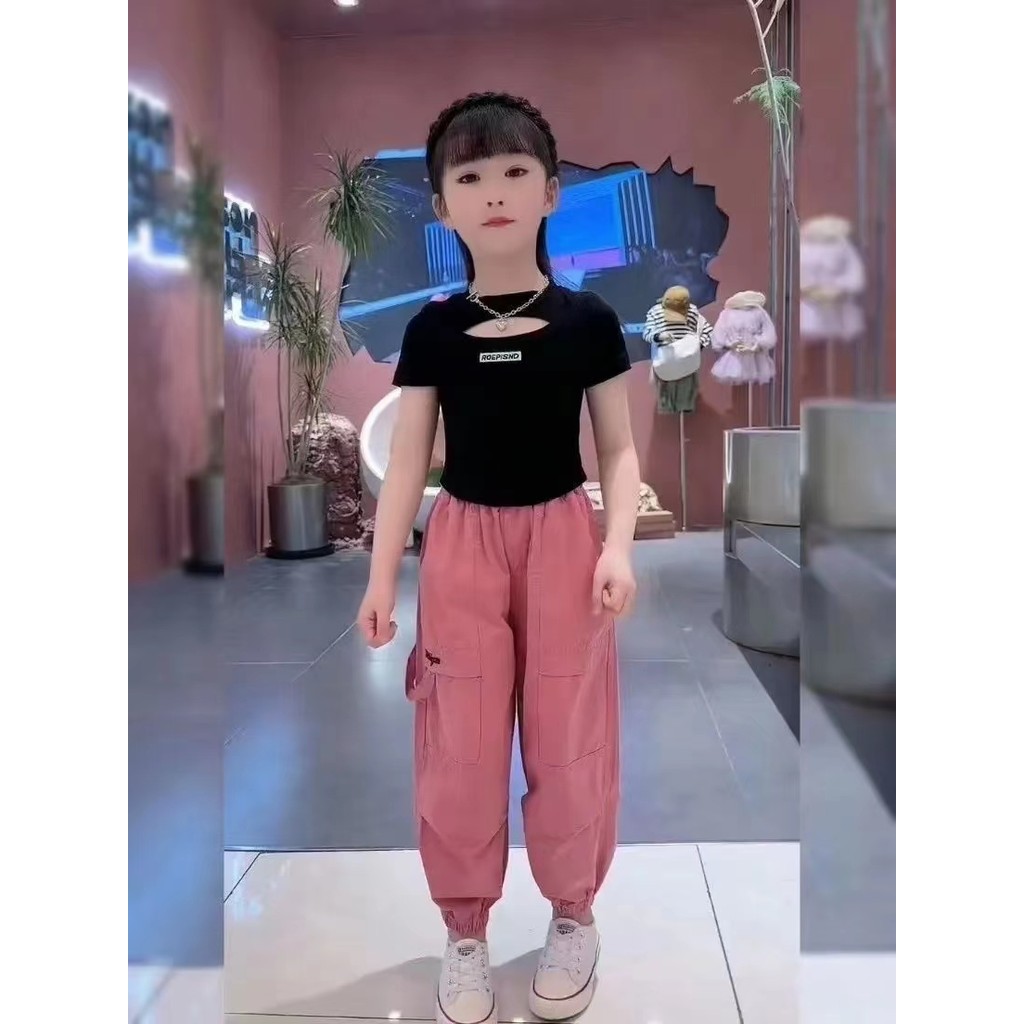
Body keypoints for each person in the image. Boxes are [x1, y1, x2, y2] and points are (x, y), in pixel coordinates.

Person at [357, 92, 641, 1024]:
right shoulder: (432, 332)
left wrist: (617, 547)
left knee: (569, 737)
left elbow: (618, 449)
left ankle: (573, 915)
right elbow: (408, 463)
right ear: (443, 205)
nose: (495, 192)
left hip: (563, 541)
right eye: (471, 175)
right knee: (461, 746)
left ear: (551, 192)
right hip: (463, 546)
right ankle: (466, 931)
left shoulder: (589, 322)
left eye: (516, 171)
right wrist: (380, 579)